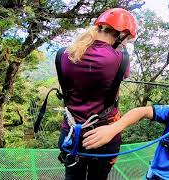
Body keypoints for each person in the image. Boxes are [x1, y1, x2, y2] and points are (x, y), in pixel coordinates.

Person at [57, 8, 137, 180]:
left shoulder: (63, 54)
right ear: (121, 34)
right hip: (105, 134)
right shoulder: (120, 58)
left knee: (72, 176)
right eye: (126, 40)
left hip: (71, 132)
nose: (125, 44)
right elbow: (123, 75)